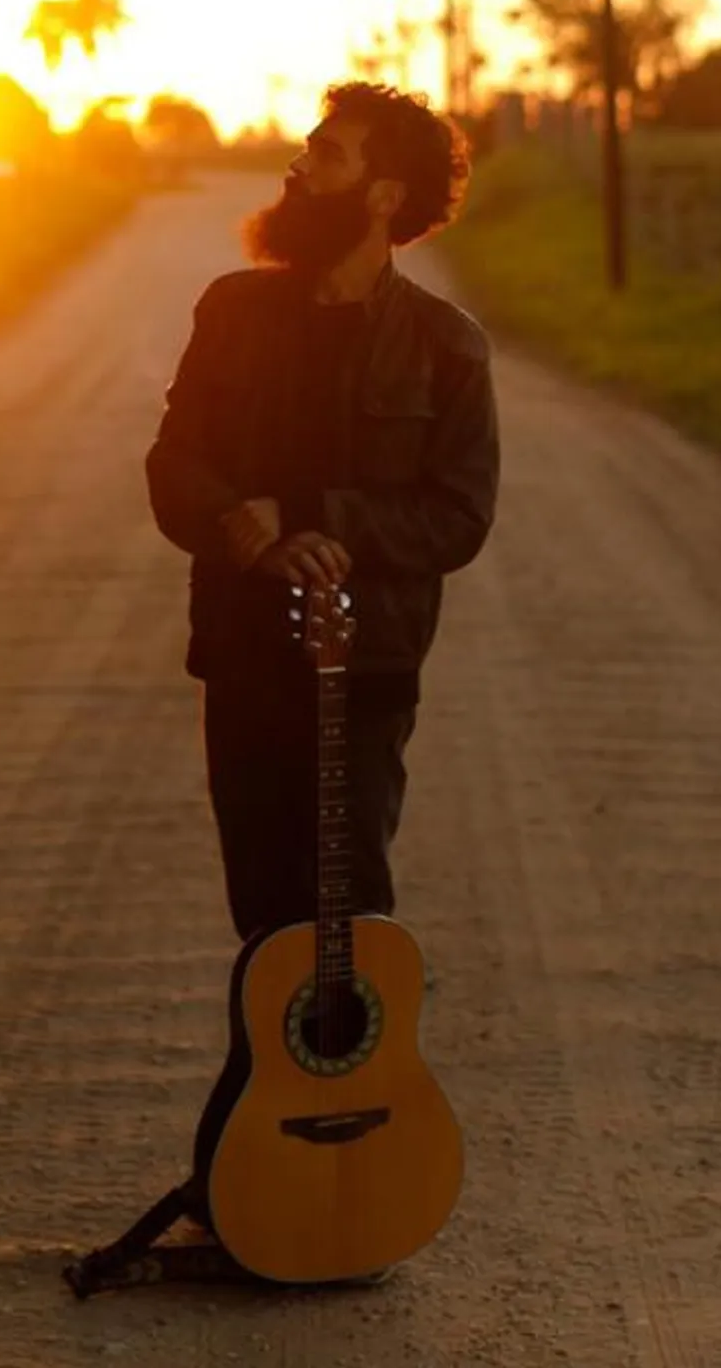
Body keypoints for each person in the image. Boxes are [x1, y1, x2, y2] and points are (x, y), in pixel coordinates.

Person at [145, 81, 500, 952]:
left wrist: (307, 516)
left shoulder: (447, 346)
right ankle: (277, 1083)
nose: (298, 166)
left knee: (351, 911)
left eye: (327, 155)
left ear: (382, 196)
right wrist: (245, 531)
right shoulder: (230, 312)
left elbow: (456, 516)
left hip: (368, 662)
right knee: (265, 916)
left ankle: (354, 1085)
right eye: (307, 148)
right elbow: (174, 464)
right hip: (243, 649)